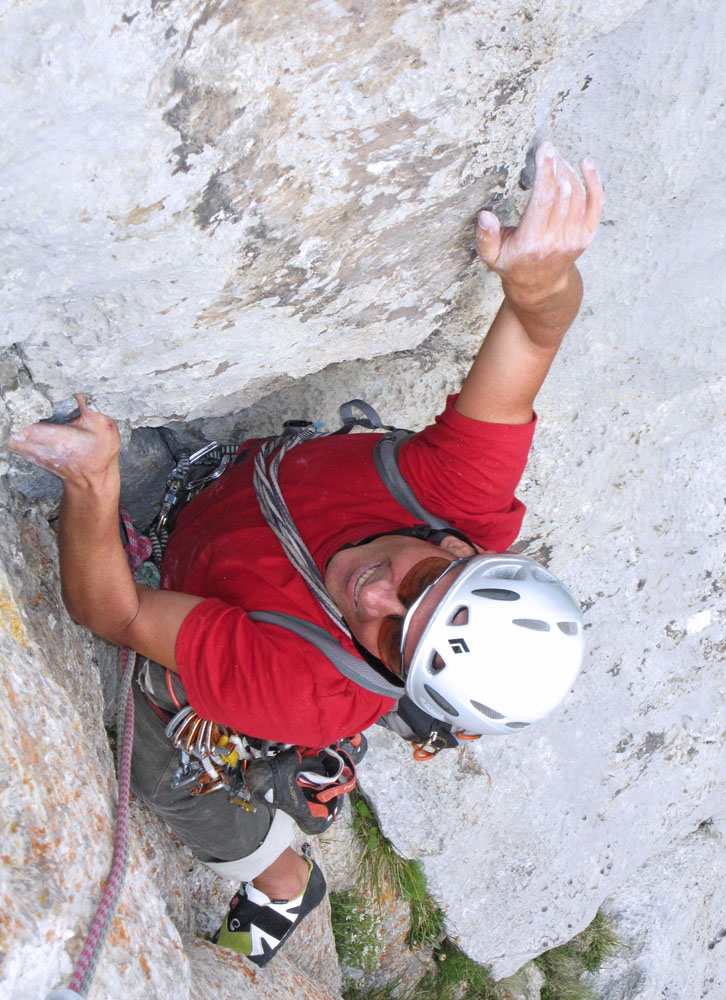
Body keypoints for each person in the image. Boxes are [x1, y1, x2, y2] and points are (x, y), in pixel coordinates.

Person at [9, 140, 603, 966]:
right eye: (421, 582)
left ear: (396, 677)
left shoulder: (303, 686)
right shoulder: (458, 491)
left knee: (153, 754)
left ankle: (282, 880)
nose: (376, 596)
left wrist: (94, 488)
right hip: (222, 499)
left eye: (396, 636)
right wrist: (544, 285)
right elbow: (533, 341)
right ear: (460, 544)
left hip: (216, 622)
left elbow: (115, 611)